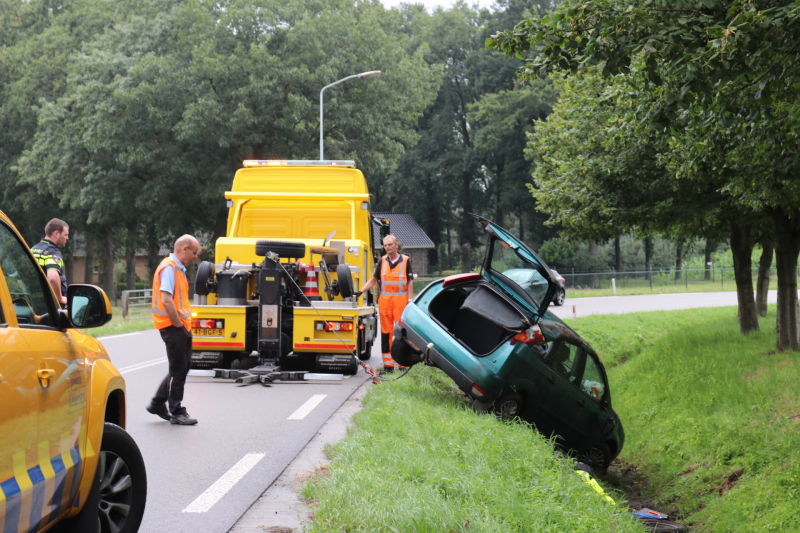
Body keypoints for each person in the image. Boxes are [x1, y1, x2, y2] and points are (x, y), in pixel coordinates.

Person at [147, 235, 201, 425]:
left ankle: (157, 403)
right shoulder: (169, 268)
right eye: (194, 252)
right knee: (178, 368)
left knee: (182, 366)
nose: (195, 257)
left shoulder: (177, 269)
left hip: (180, 325)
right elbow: (167, 300)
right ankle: (176, 411)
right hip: (173, 325)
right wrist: (178, 325)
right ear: (184, 249)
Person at [359, 235, 413, 372]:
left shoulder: (406, 260)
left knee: (401, 333)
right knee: (386, 333)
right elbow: (373, 280)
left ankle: (403, 365)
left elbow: (409, 282)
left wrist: (410, 300)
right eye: (385, 245)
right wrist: (360, 291)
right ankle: (388, 366)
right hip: (385, 303)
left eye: (390, 245)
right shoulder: (382, 261)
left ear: (396, 245)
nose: (387, 247)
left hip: (401, 302)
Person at [31, 218, 70, 307]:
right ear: (56, 234)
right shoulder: (53, 252)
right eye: (65, 235)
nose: (67, 238)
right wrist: (59, 298)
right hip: (49, 305)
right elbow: (52, 278)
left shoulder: (33, 249)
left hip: (34, 304)